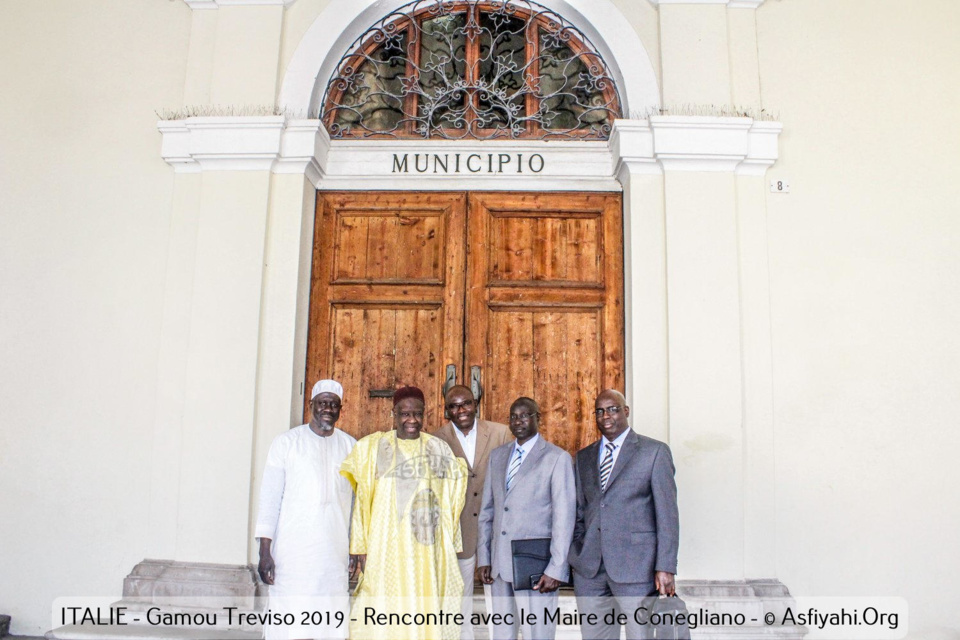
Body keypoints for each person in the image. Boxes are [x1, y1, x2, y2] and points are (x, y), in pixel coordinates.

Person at [340, 386, 468, 640]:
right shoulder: (372, 448)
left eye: (417, 414)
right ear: (393, 414)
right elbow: (363, 501)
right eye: (405, 414)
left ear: (425, 415)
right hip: (384, 547)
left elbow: (452, 499)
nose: (412, 420)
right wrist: (359, 545)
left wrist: (449, 543)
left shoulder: (438, 449)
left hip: (426, 551)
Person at [568, 389, 680, 640]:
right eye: (599, 411)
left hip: (637, 568)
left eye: (613, 409)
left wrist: (666, 566)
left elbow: (668, 515)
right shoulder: (584, 457)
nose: (605, 415)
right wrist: (577, 550)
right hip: (590, 570)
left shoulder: (654, 452)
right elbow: (579, 510)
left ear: (626, 411)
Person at [254, 379, 356, 640]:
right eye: (322, 403)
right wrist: (265, 551)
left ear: (340, 409)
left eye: (333, 404)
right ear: (311, 405)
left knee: (329, 623)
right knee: (291, 623)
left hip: (333, 555)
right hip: (292, 556)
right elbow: (270, 499)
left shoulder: (351, 447)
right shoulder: (286, 443)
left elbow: (357, 506)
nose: (327, 409)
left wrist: (356, 548)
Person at [476, 397, 575, 640]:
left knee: (538, 634)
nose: (518, 421)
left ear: (537, 419)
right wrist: (484, 557)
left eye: (524, 415)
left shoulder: (556, 458)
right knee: (501, 634)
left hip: (536, 568)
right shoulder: (498, 456)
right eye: (513, 416)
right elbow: (488, 511)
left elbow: (564, 517)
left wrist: (556, 568)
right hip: (499, 568)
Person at [433, 384, 512, 640]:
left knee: (499, 597)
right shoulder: (436, 440)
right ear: (447, 410)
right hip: (458, 530)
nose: (461, 410)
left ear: (475, 403)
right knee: (459, 597)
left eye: (466, 403)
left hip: (496, 528)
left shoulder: (501, 434)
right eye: (454, 406)